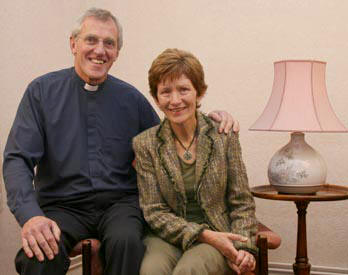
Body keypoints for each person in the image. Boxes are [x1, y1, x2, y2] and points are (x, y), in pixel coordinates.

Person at [3, 8, 238, 275]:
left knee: (127, 242)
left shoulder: (131, 99)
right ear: (73, 44)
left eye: (109, 43)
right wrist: (30, 215)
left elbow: (170, 140)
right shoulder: (41, 93)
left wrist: (211, 119)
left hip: (119, 205)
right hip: (61, 206)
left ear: (117, 52)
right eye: (91, 40)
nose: (99, 50)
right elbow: (17, 159)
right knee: (40, 253)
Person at [133, 48, 258, 275]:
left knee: (188, 271)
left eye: (183, 90)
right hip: (167, 236)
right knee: (151, 271)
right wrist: (202, 234)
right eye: (165, 92)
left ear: (199, 93)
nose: (175, 100)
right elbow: (154, 211)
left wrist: (243, 246)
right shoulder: (145, 144)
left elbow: (242, 202)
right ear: (156, 99)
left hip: (218, 233)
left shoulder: (223, 136)